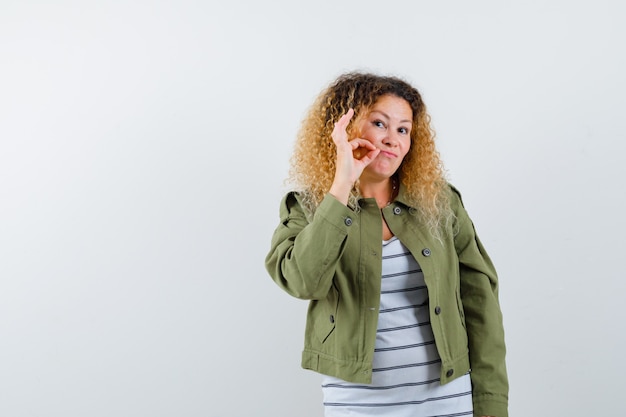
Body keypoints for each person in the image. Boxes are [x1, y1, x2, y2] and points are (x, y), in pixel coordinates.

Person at [265, 72, 508, 417]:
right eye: (380, 123)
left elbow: (481, 302)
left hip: (448, 401)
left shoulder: (439, 203)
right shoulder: (309, 207)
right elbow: (302, 281)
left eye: (403, 129)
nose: (393, 139)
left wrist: (491, 405)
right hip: (359, 405)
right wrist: (342, 184)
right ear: (343, 129)